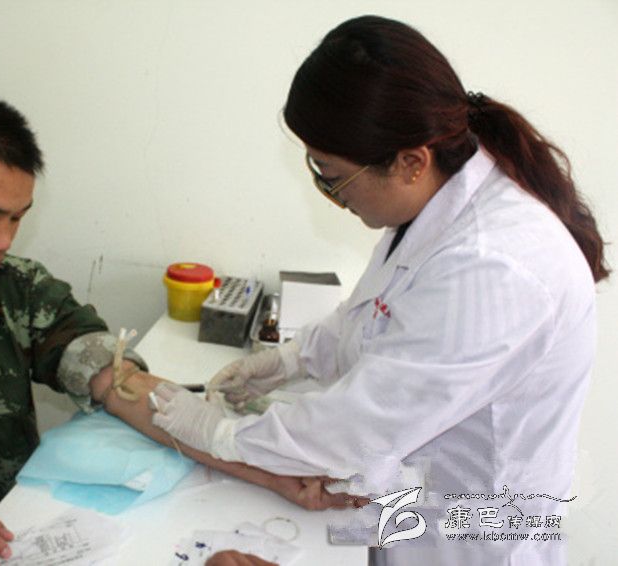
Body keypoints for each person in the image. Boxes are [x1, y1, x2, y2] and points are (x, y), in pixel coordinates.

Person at [0, 88, 361, 566]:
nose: (3, 242)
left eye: (16, 219)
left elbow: (120, 385)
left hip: (18, 541)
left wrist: (269, 470)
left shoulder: (13, 290)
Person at [150, 15, 608, 565]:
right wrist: (292, 359)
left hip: (473, 540)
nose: (329, 193)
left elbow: (356, 429)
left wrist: (221, 435)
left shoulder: (495, 269)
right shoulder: (432, 208)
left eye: (332, 175)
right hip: (412, 505)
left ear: (411, 162)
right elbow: (376, 316)